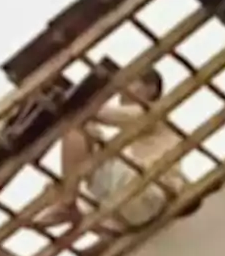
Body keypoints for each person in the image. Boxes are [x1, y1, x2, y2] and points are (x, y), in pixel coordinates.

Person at [33, 67, 187, 235]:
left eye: (131, 82)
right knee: (87, 162)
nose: (122, 89)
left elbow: (100, 114)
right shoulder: (135, 137)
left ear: (151, 88)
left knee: (78, 131)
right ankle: (73, 205)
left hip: (147, 189)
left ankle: (67, 203)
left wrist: (74, 100)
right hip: (137, 205)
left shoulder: (151, 111)